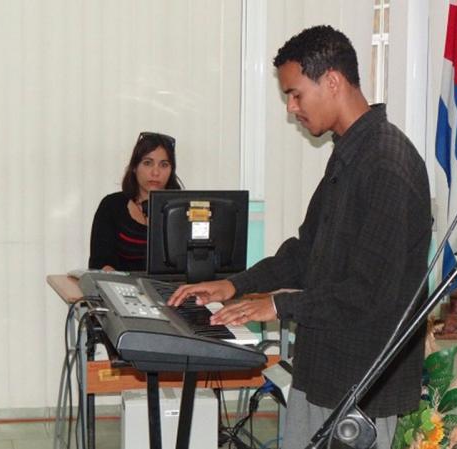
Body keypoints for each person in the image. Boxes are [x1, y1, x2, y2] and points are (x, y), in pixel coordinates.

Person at [168, 25, 431, 449]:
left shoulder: (387, 164)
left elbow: (368, 293)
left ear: (332, 81)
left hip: (361, 381)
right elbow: (307, 252)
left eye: (296, 94)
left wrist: (276, 304)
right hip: (323, 367)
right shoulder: (350, 153)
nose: (291, 109)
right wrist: (236, 284)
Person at [88, 132, 183, 271]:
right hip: (124, 289)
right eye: (147, 163)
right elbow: (99, 262)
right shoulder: (111, 206)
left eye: (164, 165)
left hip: (174, 290)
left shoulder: (183, 210)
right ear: (134, 167)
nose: (155, 172)